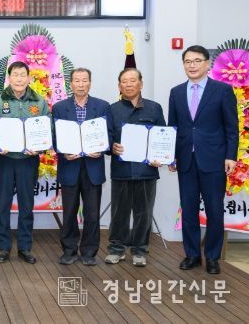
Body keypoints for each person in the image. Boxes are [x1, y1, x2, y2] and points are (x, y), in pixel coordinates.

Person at [168, 45, 238, 275]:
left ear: (207, 63)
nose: (192, 65)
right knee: (188, 209)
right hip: (186, 160)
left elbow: (231, 127)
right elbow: (173, 127)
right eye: (188, 61)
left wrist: (230, 156)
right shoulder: (176, 92)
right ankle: (192, 255)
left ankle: (213, 257)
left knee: (215, 210)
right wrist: (170, 155)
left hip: (214, 160)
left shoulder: (222, 90)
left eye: (197, 61)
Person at [0, 61, 50, 264]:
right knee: (3, 204)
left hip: (28, 160)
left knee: (26, 205)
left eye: (23, 75)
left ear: (29, 78)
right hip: (4, 160)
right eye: (15, 75)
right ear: (9, 78)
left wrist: (40, 146)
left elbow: (47, 129)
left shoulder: (39, 102)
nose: (19, 79)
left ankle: (25, 247)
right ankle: (4, 247)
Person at [53, 67, 113, 266]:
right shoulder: (59, 107)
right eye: (77, 81)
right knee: (69, 212)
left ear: (90, 83)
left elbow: (109, 134)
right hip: (69, 166)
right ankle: (69, 251)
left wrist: (102, 148)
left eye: (84, 80)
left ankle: (89, 252)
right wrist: (63, 151)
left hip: (93, 167)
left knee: (92, 213)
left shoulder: (102, 106)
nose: (81, 84)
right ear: (71, 84)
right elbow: (54, 136)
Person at [107, 68, 166, 267]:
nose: (129, 84)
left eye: (133, 80)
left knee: (144, 213)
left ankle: (140, 250)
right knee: (119, 213)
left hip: (147, 171)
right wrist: (112, 147)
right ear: (119, 86)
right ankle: (116, 249)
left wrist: (161, 156)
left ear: (141, 83)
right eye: (124, 81)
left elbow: (163, 136)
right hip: (121, 170)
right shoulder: (112, 109)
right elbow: (106, 138)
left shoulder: (154, 108)